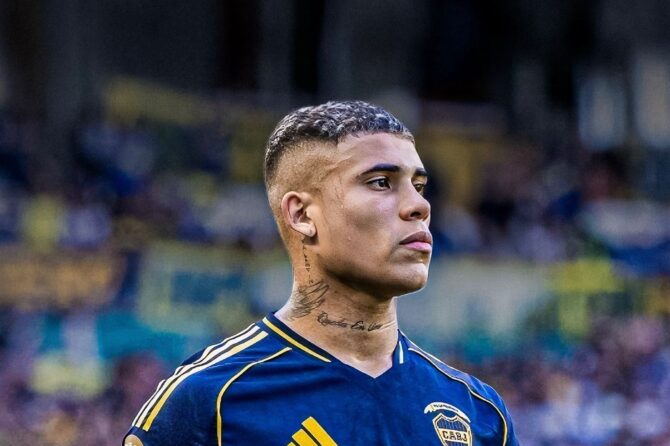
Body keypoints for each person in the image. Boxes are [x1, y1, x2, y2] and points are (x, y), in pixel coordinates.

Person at [124, 101, 518, 446]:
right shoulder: (210, 400)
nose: (419, 206)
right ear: (302, 215)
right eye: (381, 183)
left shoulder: (478, 414)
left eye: (418, 185)